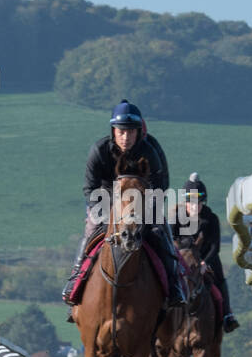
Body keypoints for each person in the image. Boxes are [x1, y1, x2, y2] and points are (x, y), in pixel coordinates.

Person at [61, 101, 186, 318]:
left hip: (142, 204)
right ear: (113, 132)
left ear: (138, 132)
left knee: (162, 232)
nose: (126, 137)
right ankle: (75, 282)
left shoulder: (150, 151)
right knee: (91, 231)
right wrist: (108, 213)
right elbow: (89, 188)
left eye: (130, 132)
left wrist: (141, 212)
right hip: (104, 203)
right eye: (121, 132)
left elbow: (161, 185)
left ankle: (174, 286)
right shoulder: (99, 150)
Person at [175, 173, 239, 333]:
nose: (196, 206)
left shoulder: (212, 219)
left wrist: (205, 263)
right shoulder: (176, 219)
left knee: (219, 280)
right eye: (192, 203)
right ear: (186, 202)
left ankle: (227, 314)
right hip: (183, 261)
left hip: (206, 259)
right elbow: (172, 242)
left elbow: (214, 247)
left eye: (199, 202)